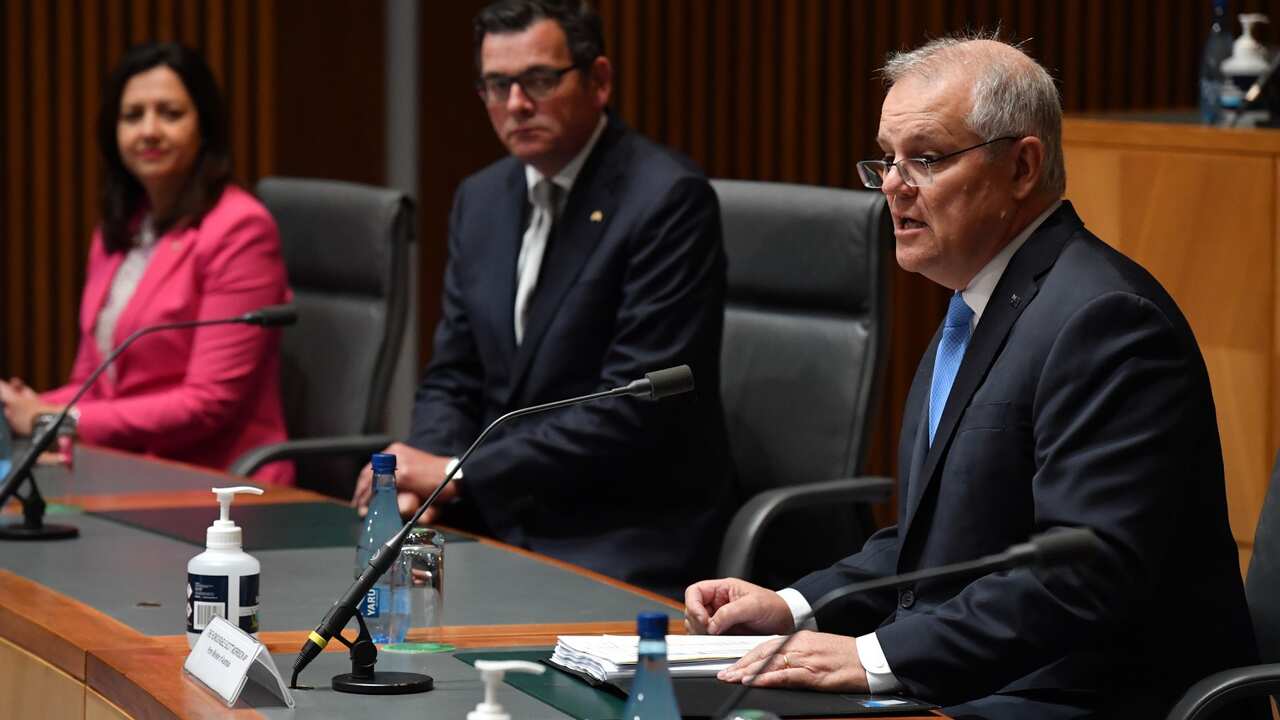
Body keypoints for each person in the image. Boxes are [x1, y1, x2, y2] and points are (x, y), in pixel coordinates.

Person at [684, 35, 1260, 718]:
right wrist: (794, 605)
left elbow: (1082, 580)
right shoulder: (979, 305)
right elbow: (943, 539)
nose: (894, 186)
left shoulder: (1106, 322)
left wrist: (875, 657)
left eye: (925, 159)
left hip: (1090, 696)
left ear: (1022, 167)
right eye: (887, 162)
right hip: (994, 678)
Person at [352, 0, 732, 598]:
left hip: (615, 529)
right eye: (497, 85)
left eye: (539, 80)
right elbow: (454, 375)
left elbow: (631, 410)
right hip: (496, 512)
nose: (516, 104)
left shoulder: (665, 200)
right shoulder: (481, 198)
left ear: (599, 81)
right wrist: (424, 477)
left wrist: (458, 473)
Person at [0, 43, 292, 485]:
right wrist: (27, 408)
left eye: (170, 113)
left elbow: (207, 402)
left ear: (205, 128)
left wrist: (59, 418)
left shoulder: (240, 229)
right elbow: (91, 379)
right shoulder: (120, 229)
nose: (149, 130)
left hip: (217, 485)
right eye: (132, 115)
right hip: (125, 470)